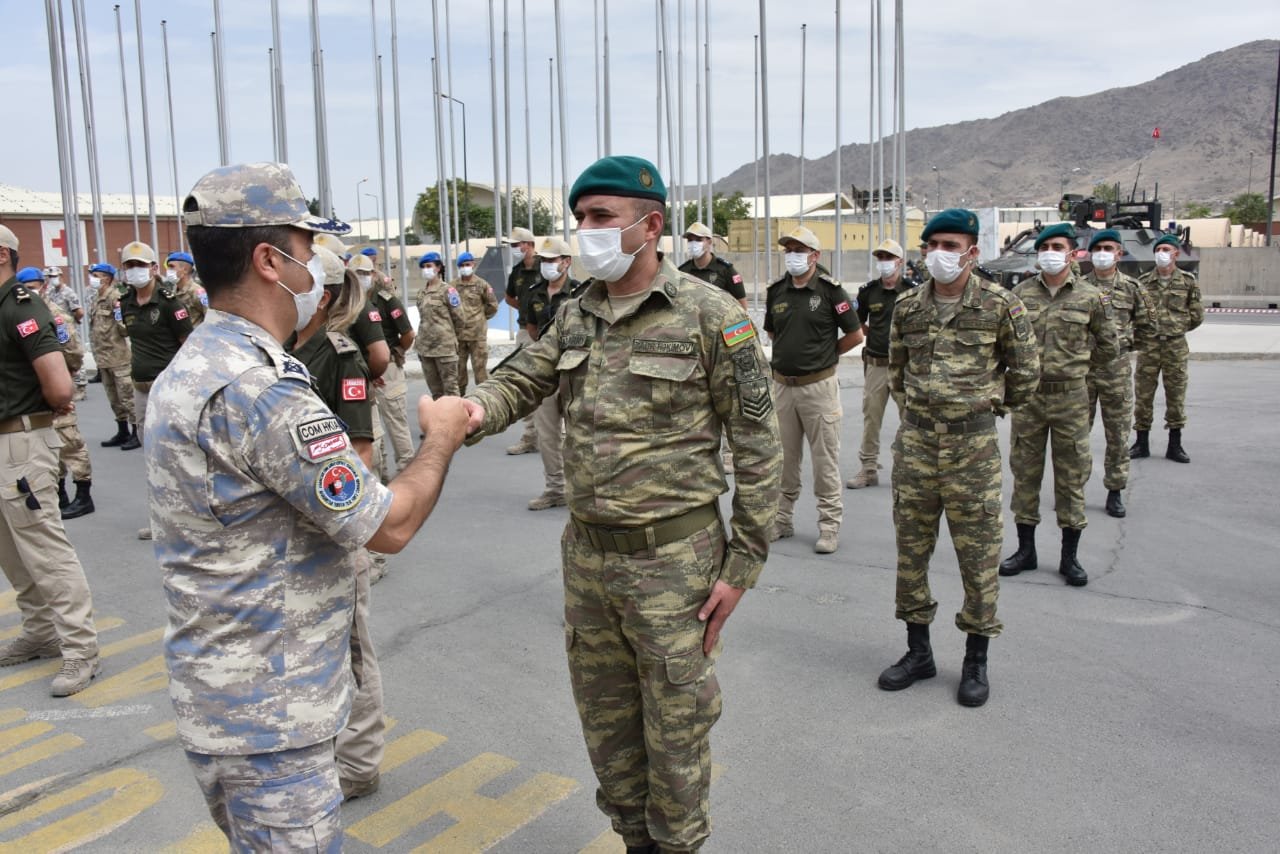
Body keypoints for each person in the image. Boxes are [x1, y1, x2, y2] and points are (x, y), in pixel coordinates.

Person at [461, 155, 781, 853]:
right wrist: (467, 412)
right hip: (589, 562)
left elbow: (759, 444)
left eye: (601, 218)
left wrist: (742, 564)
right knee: (607, 733)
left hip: (675, 562)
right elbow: (522, 379)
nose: (585, 232)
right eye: (580, 219)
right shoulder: (578, 313)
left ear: (651, 225)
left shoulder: (709, 315)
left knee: (676, 735)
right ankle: (634, 840)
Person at [148, 161, 468, 849]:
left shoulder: (200, 361)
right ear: (269, 260)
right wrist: (438, 438)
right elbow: (389, 523)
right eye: (305, 249)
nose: (316, 267)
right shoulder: (261, 391)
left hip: (231, 700)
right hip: (271, 718)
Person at [877, 209, 1040, 707]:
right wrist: (924, 419)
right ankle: (918, 652)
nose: (939, 255)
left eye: (950, 245)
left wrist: (986, 410)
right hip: (918, 447)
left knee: (979, 558)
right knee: (911, 555)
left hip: (973, 451)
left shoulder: (1000, 305)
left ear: (972, 250)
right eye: (932, 246)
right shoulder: (907, 307)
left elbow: (1026, 373)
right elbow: (896, 373)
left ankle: (975, 658)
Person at [285, 244, 386, 801]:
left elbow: (362, 454)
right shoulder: (277, 349)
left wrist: (333, 521)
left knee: (351, 650)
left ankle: (359, 763)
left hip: (332, 526)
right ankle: (320, 747)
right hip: (289, 531)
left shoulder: (339, 354)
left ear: (319, 297)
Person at [0, 225, 101, 697]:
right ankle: (40, 633)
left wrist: (46, 408)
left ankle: (79, 647)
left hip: (20, 443)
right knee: (11, 549)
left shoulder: (22, 305)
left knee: (44, 548)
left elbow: (58, 385)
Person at [1000, 223, 1118, 588]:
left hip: (1071, 398)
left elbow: (1109, 346)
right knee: (1025, 473)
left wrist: (1078, 372)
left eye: (1057, 246)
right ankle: (1026, 551)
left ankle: (1069, 557)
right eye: (1044, 246)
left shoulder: (1090, 297)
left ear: (1073, 253)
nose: (1049, 252)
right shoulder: (1019, 294)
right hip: (1030, 398)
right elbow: (1004, 342)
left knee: (1071, 477)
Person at [764, 225, 863, 554]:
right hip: (782, 387)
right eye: (789, 249)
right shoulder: (776, 291)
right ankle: (781, 519)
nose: (793, 255)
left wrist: (825, 355)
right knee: (784, 460)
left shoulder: (831, 291)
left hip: (818, 387)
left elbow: (855, 335)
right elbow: (773, 334)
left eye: (799, 250)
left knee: (825, 461)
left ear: (815, 256)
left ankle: (828, 525)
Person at [1084, 229, 1155, 517]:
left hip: (1116, 370)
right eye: (1097, 247)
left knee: (1117, 435)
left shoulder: (1133, 288)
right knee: (1077, 436)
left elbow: (1148, 327)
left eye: (1108, 248)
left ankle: (1115, 491)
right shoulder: (1078, 287)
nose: (1102, 252)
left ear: (1119, 253)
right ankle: (1073, 490)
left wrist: (1123, 346)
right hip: (1083, 371)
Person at [518, 236, 582, 511]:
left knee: (579, 434)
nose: (547, 265)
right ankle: (555, 489)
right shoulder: (534, 292)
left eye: (552, 260)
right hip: (546, 375)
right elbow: (532, 330)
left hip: (575, 373)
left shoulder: (581, 292)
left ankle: (580, 490)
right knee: (547, 435)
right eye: (544, 260)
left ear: (566, 262)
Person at [1130, 234, 1203, 464]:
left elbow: (1197, 314)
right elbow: (1135, 313)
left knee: (1176, 394)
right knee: (1143, 395)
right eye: (1158, 248)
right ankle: (1141, 443)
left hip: (1174, 345)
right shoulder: (1144, 281)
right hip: (1149, 345)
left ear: (1175, 254)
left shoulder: (1188, 281)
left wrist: (1176, 327)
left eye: (1166, 249)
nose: (1161, 253)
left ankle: (1175, 444)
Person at [848, 238, 907, 490]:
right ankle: (868, 468)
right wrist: (874, 333)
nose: (884, 263)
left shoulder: (913, 290)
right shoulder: (868, 291)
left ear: (900, 262)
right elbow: (857, 322)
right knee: (871, 418)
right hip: (876, 364)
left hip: (905, 366)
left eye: (889, 258)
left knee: (910, 418)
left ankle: (908, 468)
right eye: (880, 258)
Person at [369, 261, 416, 477]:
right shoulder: (354, 303)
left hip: (388, 369)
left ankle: (407, 473)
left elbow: (408, 334)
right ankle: (381, 476)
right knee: (373, 429)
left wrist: (396, 352)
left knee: (396, 423)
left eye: (366, 273)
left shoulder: (387, 301)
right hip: (367, 373)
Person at [502, 226, 544, 455]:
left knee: (555, 384)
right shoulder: (517, 271)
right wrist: (527, 310)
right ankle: (530, 437)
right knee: (525, 383)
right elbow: (509, 297)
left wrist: (539, 316)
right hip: (524, 332)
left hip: (546, 331)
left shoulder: (545, 266)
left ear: (527, 244)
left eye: (516, 245)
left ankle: (561, 434)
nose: (514, 249)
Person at [87, 263, 137, 447]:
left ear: (107, 278)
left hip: (118, 356)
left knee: (127, 397)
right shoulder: (95, 298)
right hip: (103, 357)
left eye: (96, 275)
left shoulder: (115, 297)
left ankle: (136, 433)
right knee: (113, 398)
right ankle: (122, 430)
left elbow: (123, 327)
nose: (92, 278)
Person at [414, 252, 464, 399]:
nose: (426, 269)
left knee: (451, 391)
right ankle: (441, 420)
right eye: (423, 267)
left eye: (429, 266)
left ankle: (457, 421)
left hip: (445, 350)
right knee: (436, 393)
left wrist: (449, 338)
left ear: (438, 268)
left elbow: (460, 319)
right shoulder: (421, 293)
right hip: (426, 350)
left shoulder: (448, 291)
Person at [452, 251, 499, 393]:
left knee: (481, 373)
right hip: (459, 337)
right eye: (462, 265)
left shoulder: (482, 285)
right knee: (458, 373)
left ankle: (484, 401)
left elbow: (493, 305)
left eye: (468, 264)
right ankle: (459, 403)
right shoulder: (452, 286)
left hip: (477, 337)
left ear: (473, 264)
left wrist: (481, 319)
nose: (465, 267)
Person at [677, 221, 748, 308]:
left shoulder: (726, 270)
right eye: (690, 240)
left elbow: (742, 306)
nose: (693, 244)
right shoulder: (682, 271)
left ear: (709, 242)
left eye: (699, 239)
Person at [164, 251, 209, 326]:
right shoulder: (172, 292)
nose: (168, 270)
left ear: (185, 270)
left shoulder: (197, 292)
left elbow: (209, 317)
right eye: (168, 266)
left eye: (171, 266)